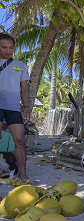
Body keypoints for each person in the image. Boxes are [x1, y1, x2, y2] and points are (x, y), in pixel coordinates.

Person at [0, 33, 30, 182]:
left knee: (20, 141)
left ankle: (23, 175)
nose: (8, 50)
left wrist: (26, 108)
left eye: (11, 47)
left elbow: (24, 89)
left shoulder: (21, 65)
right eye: (4, 47)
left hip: (13, 108)